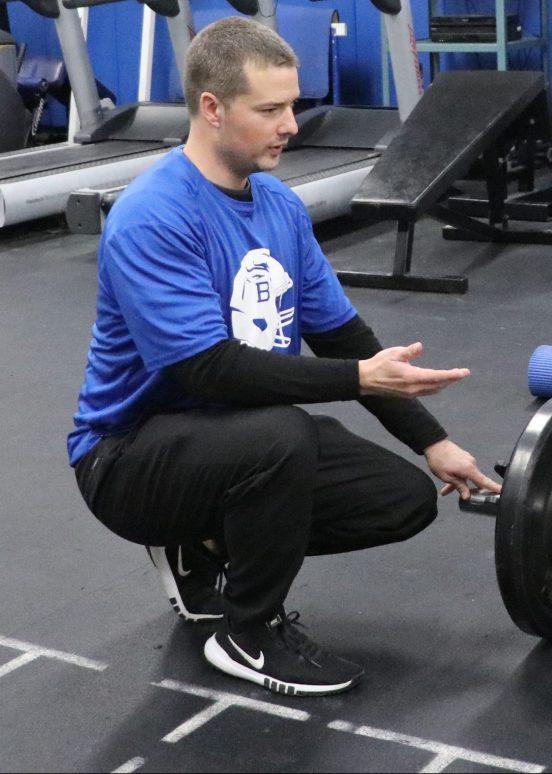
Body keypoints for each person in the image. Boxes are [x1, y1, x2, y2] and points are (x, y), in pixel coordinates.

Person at [67, 17, 500, 697]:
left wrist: (435, 444)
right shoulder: (154, 215)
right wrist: (358, 378)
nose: (291, 125)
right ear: (211, 109)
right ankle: (248, 632)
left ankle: (203, 543)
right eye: (270, 110)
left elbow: (342, 336)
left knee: (401, 500)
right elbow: (208, 370)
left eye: (292, 105)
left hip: (235, 441)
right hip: (125, 456)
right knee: (281, 435)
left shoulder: (279, 207)